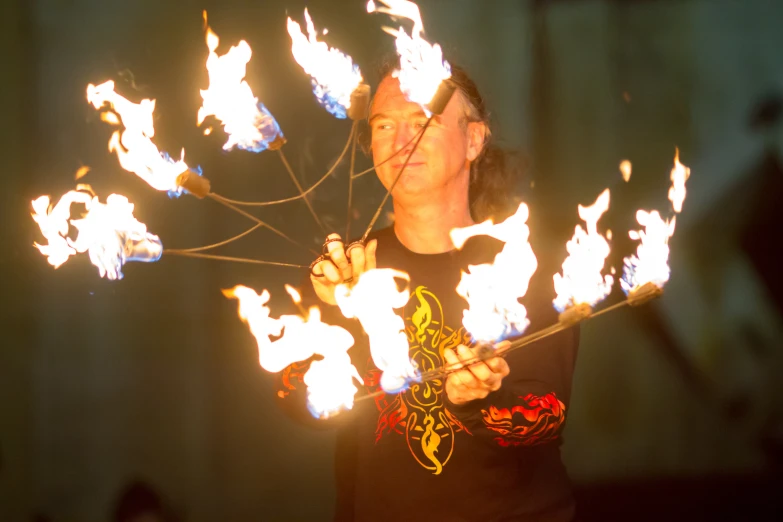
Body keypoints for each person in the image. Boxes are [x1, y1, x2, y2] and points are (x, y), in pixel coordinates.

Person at [276, 58, 580, 522]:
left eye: (424, 121)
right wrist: (334, 313)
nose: (402, 142)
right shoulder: (346, 272)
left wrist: (480, 398)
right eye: (384, 126)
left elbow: (543, 419)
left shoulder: (525, 265)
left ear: (473, 139)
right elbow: (298, 401)